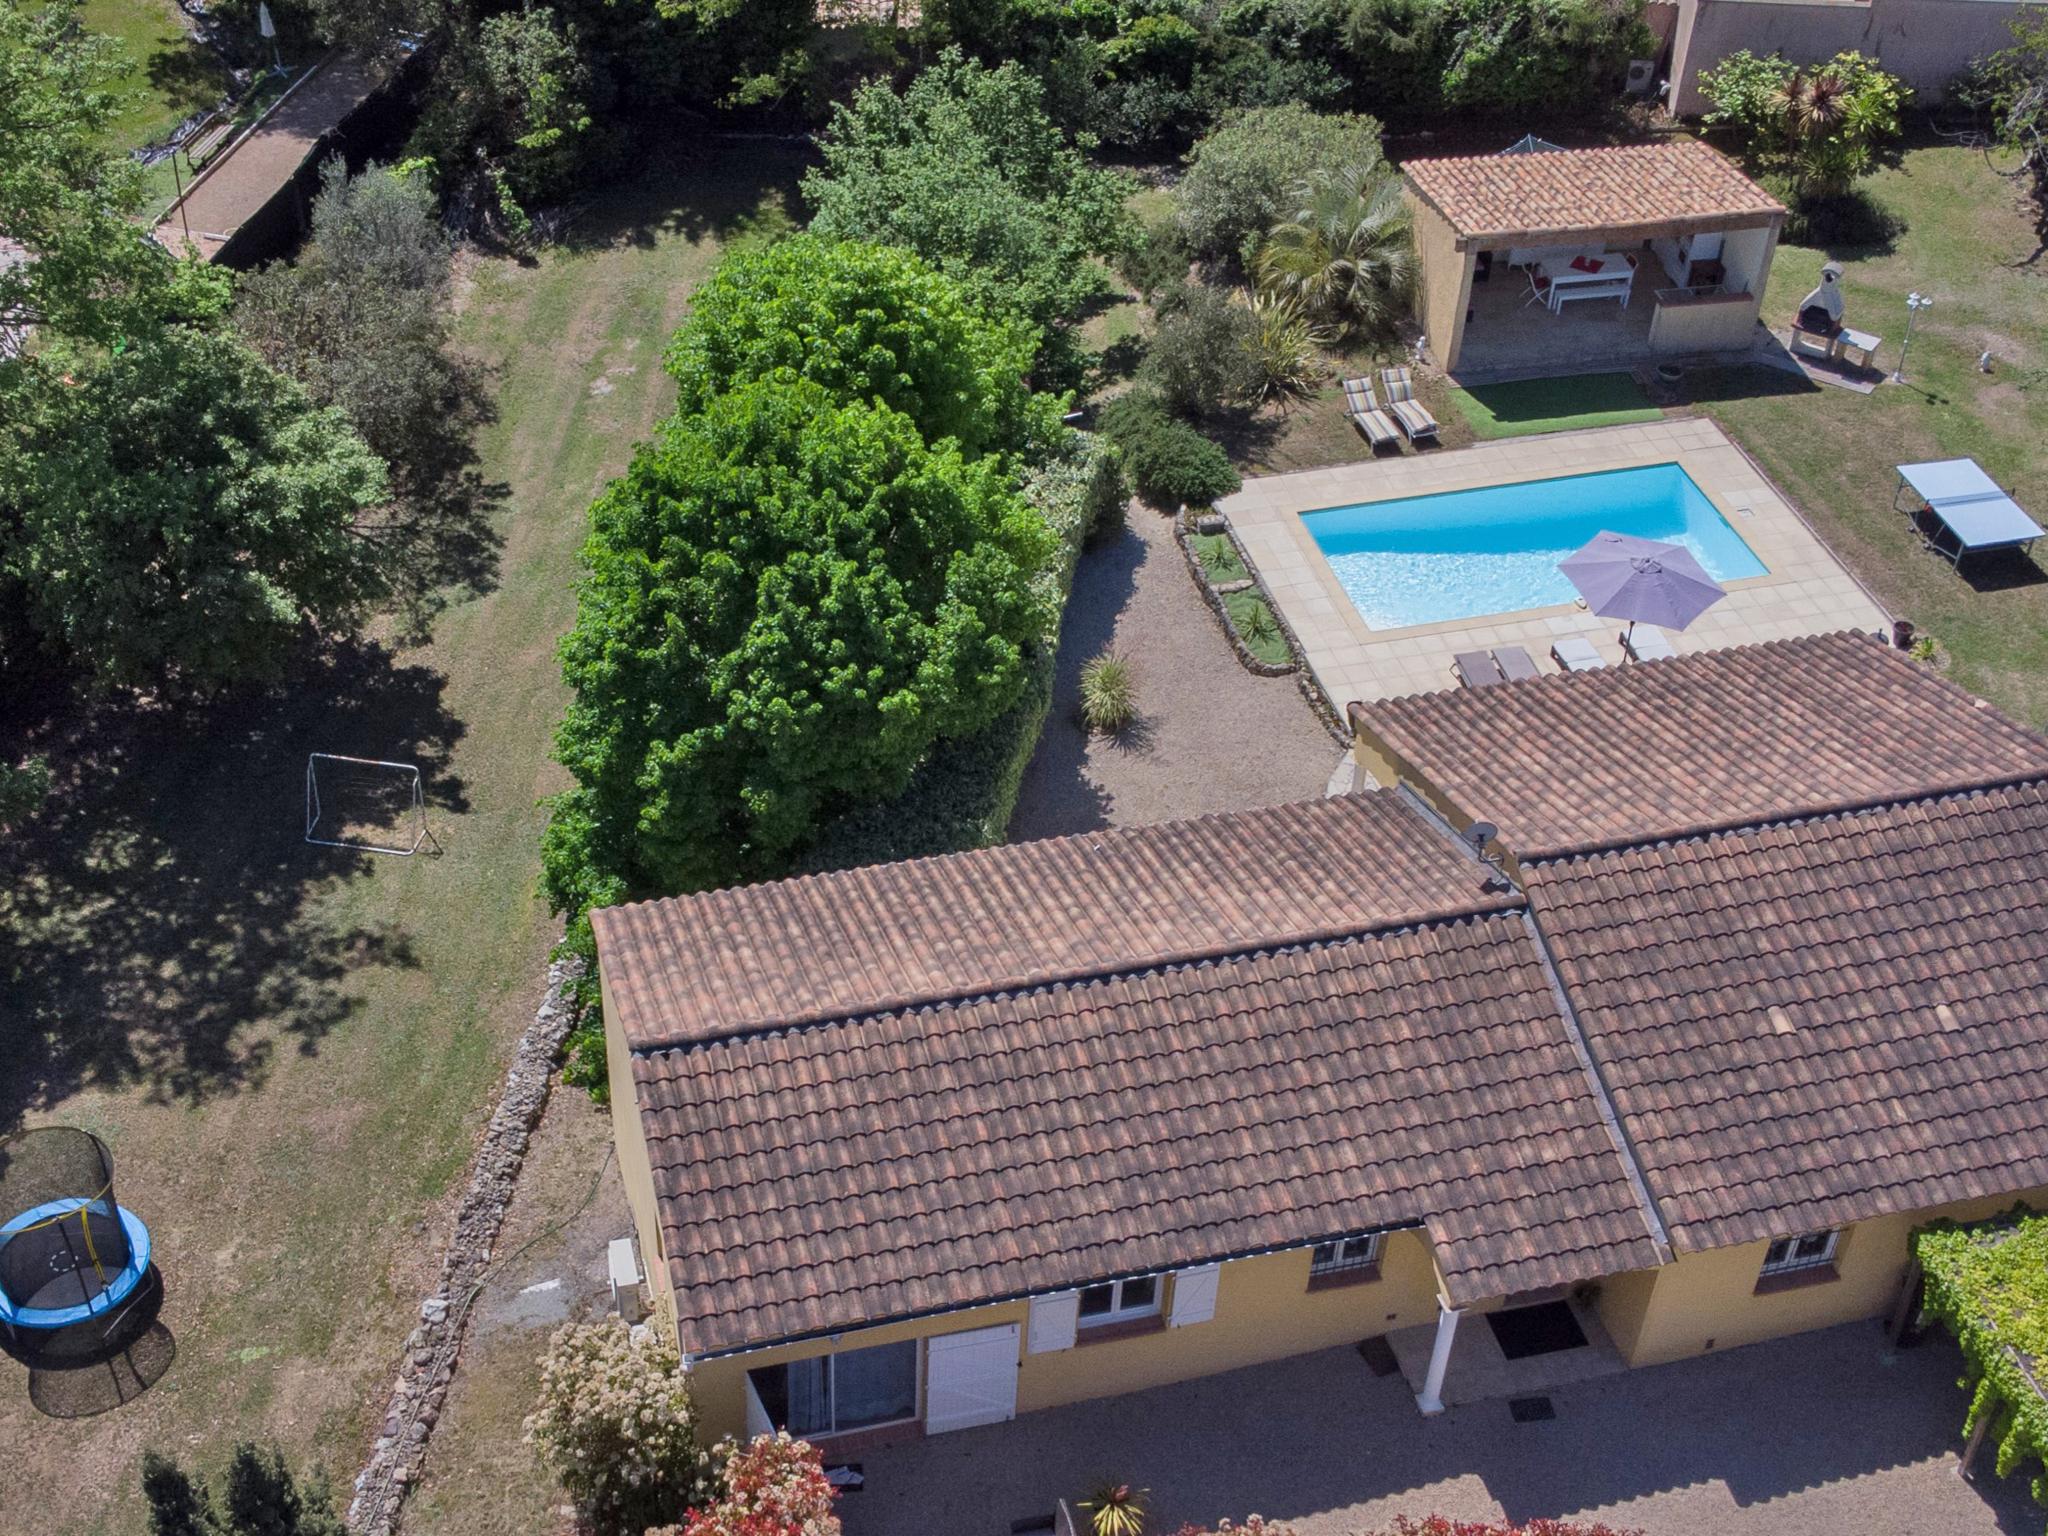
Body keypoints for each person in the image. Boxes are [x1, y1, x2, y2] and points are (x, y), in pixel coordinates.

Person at [1796, 262, 1845, 337]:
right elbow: (1803, 306)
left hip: (1827, 321)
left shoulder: (1835, 294)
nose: (1828, 278)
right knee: (1804, 305)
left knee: (1833, 316)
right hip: (1813, 316)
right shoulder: (1818, 292)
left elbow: (1835, 316)